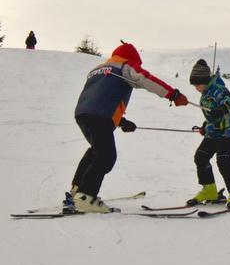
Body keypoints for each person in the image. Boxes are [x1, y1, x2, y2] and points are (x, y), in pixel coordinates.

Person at [68, 42, 189, 213]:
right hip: (100, 115)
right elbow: (145, 79)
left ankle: (77, 190)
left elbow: (101, 96)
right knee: (106, 156)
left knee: (96, 150)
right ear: (132, 59)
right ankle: (86, 196)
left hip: (83, 113)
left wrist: (121, 121)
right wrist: (173, 94)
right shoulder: (124, 65)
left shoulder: (100, 68)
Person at [187, 59, 230, 208]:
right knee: (201, 157)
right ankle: (209, 189)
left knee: (223, 160)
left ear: (205, 80)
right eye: (194, 85)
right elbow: (211, 116)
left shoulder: (218, 89)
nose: (196, 87)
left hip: (228, 132)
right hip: (214, 132)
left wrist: (221, 109)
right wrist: (205, 126)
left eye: (197, 84)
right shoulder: (205, 93)